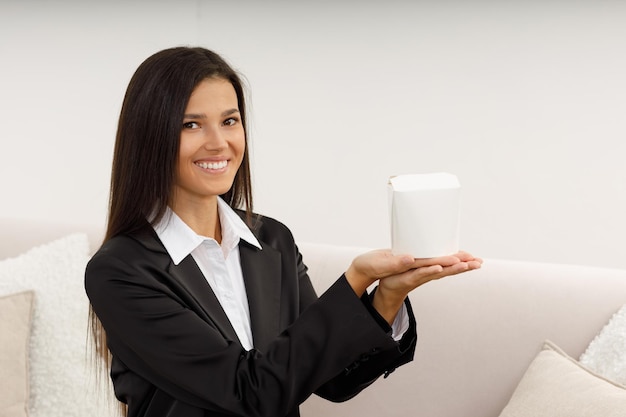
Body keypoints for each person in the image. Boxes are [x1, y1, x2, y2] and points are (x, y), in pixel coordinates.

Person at [84, 46, 482, 417]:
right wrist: (356, 279)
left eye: (229, 121)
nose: (219, 143)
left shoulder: (272, 241)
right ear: (151, 136)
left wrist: (388, 294)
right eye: (192, 124)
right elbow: (248, 392)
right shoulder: (120, 272)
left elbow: (332, 379)